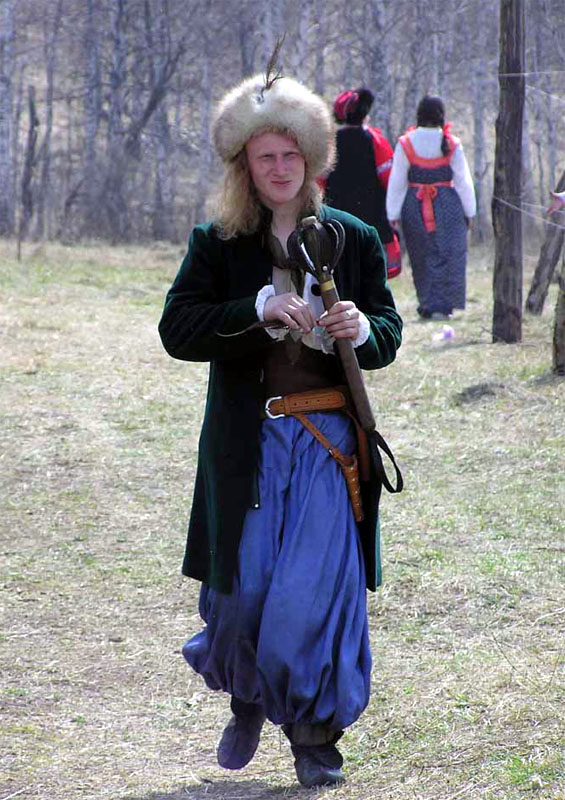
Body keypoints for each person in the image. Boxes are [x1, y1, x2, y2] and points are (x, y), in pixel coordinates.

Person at [158, 71, 402, 788]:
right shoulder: (219, 244)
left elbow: (388, 331)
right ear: (245, 164)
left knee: (311, 596)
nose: (279, 167)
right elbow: (178, 329)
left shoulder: (353, 237)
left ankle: (314, 737)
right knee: (244, 595)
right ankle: (247, 693)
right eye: (265, 156)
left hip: (329, 448)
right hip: (250, 448)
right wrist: (256, 309)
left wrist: (363, 327)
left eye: (290, 154)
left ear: (311, 157)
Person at [386, 94, 476, 320]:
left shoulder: (406, 142)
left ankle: (427, 303)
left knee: (421, 255)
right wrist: (470, 211)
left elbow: (397, 180)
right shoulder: (452, 143)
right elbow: (463, 181)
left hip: (414, 205)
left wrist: (392, 213)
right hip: (448, 205)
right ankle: (444, 306)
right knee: (449, 254)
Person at [322, 87, 402, 279]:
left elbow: (320, 182)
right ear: (364, 115)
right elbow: (390, 180)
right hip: (373, 218)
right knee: (372, 272)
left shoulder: (329, 144)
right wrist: (393, 213)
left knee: (342, 272)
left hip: (337, 219)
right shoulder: (376, 141)